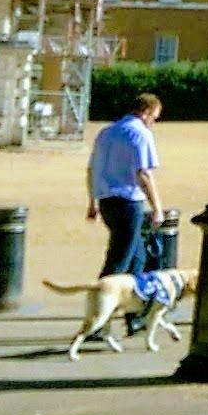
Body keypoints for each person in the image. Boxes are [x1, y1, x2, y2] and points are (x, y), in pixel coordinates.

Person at [86, 93, 165, 280]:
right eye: (154, 117)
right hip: (128, 203)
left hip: (106, 201)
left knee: (137, 257)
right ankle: (102, 302)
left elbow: (91, 170)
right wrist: (157, 208)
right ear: (146, 112)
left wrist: (93, 202)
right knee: (119, 260)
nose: (154, 122)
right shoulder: (141, 133)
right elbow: (144, 174)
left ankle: (133, 306)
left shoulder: (106, 132)